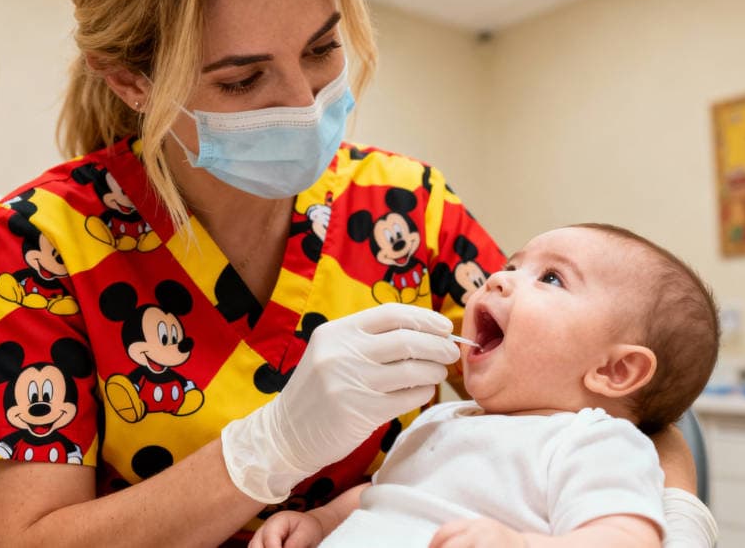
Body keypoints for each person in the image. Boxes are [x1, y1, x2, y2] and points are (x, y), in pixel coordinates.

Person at [0, 0, 706, 546]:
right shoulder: (45, 241)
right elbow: (23, 537)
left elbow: (614, 395)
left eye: (321, 49)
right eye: (243, 78)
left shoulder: (404, 208)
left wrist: (672, 518)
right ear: (130, 80)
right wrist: (264, 451)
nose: (304, 102)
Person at [250, 224, 720, 548]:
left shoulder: (592, 442)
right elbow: (382, 494)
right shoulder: (439, 420)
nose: (498, 278)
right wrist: (317, 523)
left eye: (551, 278)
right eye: (513, 265)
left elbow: (626, 538)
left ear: (614, 371)